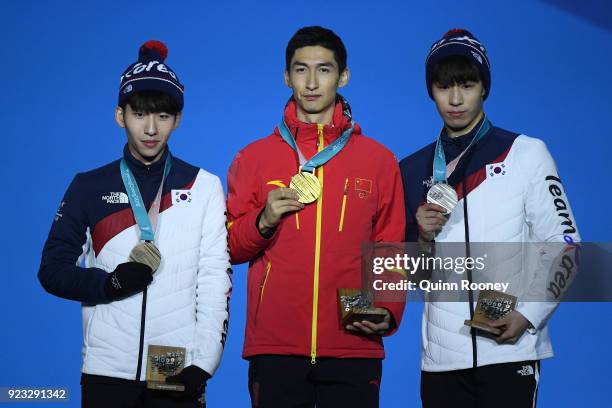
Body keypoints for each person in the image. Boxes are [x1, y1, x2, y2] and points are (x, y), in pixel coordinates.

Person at [38, 40, 231, 408]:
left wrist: (203, 364)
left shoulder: (203, 186)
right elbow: (51, 270)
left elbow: (214, 281)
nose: (151, 128)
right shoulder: (89, 186)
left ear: (178, 120)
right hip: (105, 372)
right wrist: (108, 283)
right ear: (120, 115)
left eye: (162, 115)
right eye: (140, 113)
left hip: (176, 369)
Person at [399, 29, 580, 407]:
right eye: (443, 86)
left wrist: (528, 315)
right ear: (430, 90)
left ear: (484, 88)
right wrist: (422, 238)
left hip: (510, 351)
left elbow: (565, 247)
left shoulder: (525, 153)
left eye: (467, 84)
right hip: (441, 361)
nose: (455, 98)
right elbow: (411, 274)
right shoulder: (412, 168)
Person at [226, 26, 406, 408]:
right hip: (275, 347)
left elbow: (392, 245)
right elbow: (229, 245)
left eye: (323, 70)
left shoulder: (379, 160)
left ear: (343, 77)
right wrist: (263, 220)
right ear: (286, 76)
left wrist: (388, 310)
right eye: (300, 70)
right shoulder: (253, 158)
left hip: (353, 344)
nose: (311, 82)